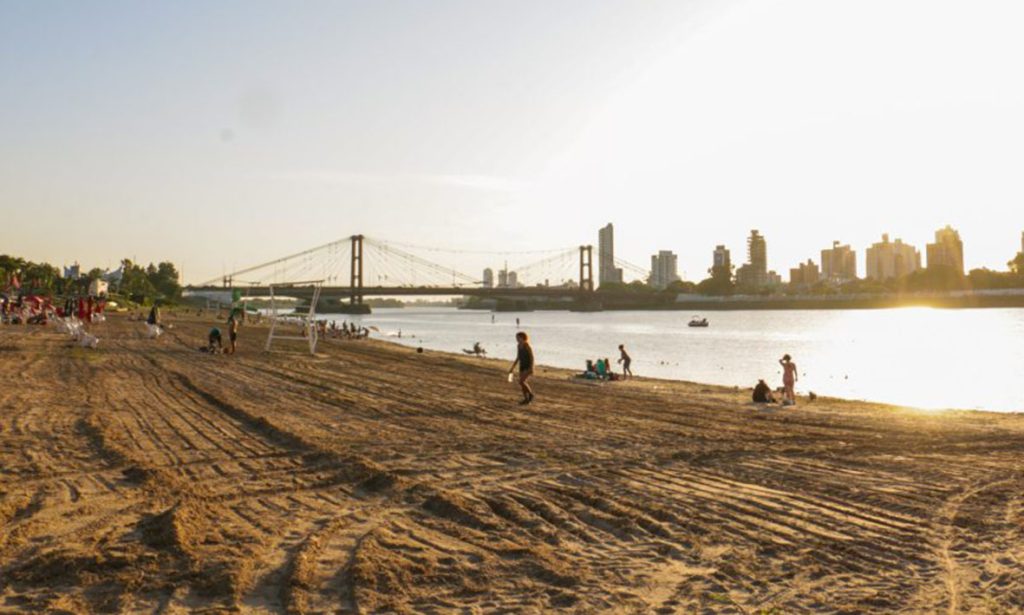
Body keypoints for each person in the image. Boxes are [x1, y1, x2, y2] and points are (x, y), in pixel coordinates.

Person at [508, 331, 535, 405]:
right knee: (522, 383)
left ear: (522, 338)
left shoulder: (527, 346)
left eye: (518, 338)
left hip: (528, 366)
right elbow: (518, 357)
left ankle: (531, 395)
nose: (517, 339)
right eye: (516, 338)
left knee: (521, 381)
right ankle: (526, 399)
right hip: (522, 366)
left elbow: (532, 358)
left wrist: (531, 367)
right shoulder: (518, 345)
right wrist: (512, 367)